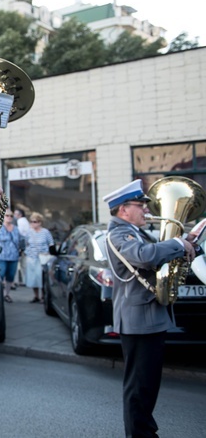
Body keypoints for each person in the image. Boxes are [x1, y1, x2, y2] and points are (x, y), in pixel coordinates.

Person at [103, 179, 197, 438]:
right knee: (139, 387)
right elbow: (145, 256)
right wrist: (178, 244)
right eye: (140, 205)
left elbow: (159, 253)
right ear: (124, 209)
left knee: (148, 385)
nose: (146, 210)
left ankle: (145, 430)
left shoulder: (136, 231)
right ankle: (140, 434)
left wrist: (189, 243)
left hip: (149, 318)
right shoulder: (120, 234)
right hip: (137, 321)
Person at [23, 212, 55, 303]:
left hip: (42, 258)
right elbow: (26, 243)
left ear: (40, 222)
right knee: (33, 277)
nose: (33, 223)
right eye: (32, 221)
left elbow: (51, 243)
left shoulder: (45, 232)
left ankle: (43, 296)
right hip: (31, 257)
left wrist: (48, 253)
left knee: (41, 277)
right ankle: (36, 296)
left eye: (35, 221)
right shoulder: (29, 232)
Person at [0, 212, 24, 302]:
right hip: (1, 256)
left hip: (13, 256)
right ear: (3, 216)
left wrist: (22, 251)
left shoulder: (16, 229)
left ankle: (6, 294)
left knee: (10, 276)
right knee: (0, 275)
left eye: (11, 216)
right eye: (7, 215)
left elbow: (21, 240)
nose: (9, 217)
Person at [13, 208, 30, 287]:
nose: (14, 216)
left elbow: (18, 234)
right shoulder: (26, 221)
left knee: (17, 265)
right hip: (25, 246)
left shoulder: (19, 221)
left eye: (15, 214)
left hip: (20, 246)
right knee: (24, 265)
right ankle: (25, 280)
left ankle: (16, 281)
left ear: (20, 215)